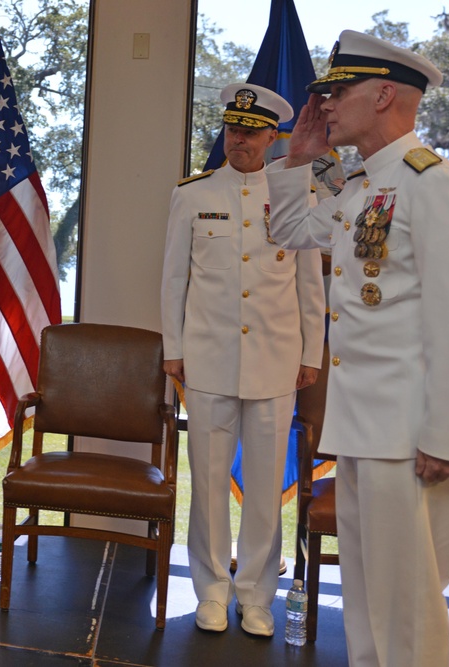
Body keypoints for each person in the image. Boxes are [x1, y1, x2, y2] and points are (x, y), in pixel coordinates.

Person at [265, 31, 449, 666]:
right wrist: (300, 158)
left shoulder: (437, 186)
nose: (327, 104)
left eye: (340, 92)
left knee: (409, 615)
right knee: (369, 610)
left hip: (410, 440)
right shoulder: (364, 189)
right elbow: (290, 228)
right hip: (363, 431)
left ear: (385, 95)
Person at [161, 83, 326, 637]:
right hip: (207, 360)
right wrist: (174, 350)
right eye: (233, 129)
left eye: (251, 132)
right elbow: (174, 279)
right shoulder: (192, 193)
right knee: (207, 485)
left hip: (276, 363)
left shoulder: (294, 196)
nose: (240, 140)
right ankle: (210, 590)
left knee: (263, 489)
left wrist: (311, 354)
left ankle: (256, 595)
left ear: (273, 137)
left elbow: (310, 285)